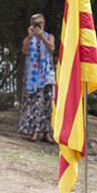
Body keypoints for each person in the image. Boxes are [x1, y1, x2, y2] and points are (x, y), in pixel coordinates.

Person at [18, 12, 56, 143]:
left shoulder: (49, 36)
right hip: (33, 76)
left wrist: (42, 38)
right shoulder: (29, 38)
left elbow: (51, 48)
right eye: (35, 24)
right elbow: (24, 51)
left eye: (40, 23)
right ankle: (33, 131)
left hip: (46, 76)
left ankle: (46, 132)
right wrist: (30, 36)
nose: (38, 26)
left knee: (46, 104)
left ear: (44, 24)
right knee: (34, 103)